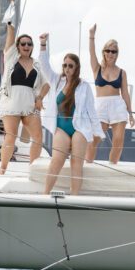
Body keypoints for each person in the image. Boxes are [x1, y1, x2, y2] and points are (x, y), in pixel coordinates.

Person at [39, 33, 103, 195]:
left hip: (79, 128)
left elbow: (91, 111)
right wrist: (43, 44)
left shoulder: (84, 86)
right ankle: (45, 194)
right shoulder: (56, 81)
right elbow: (44, 65)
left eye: (70, 66)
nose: (67, 68)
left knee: (76, 163)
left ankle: (74, 196)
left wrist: (97, 132)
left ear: (76, 68)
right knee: (57, 161)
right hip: (61, 128)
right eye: (65, 65)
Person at [0, 23, 49, 174]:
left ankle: (33, 168)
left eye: (29, 44)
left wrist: (40, 98)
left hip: (30, 105)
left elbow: (46, 85)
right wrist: (10, 25)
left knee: (38, 137)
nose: (26, 46)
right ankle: (3, 168)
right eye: (23, 44)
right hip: (11, 103)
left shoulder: (36, 63)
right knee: (11, 136)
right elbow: (10, 36)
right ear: (18, 46)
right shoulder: (11, 58)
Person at [85, 24, 135, 163]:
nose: (110, 54)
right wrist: (91, 35)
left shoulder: (122, 72)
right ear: (104, 52)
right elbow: (91, 52)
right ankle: (87, 166)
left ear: (117, 54)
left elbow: (125, 93)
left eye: (114, 51)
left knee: (118, 142)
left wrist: (130, 113)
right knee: (95, 138)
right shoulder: (97, 68)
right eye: (108, 51)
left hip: (117, 105)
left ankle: (113, 167)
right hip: (100, 105)